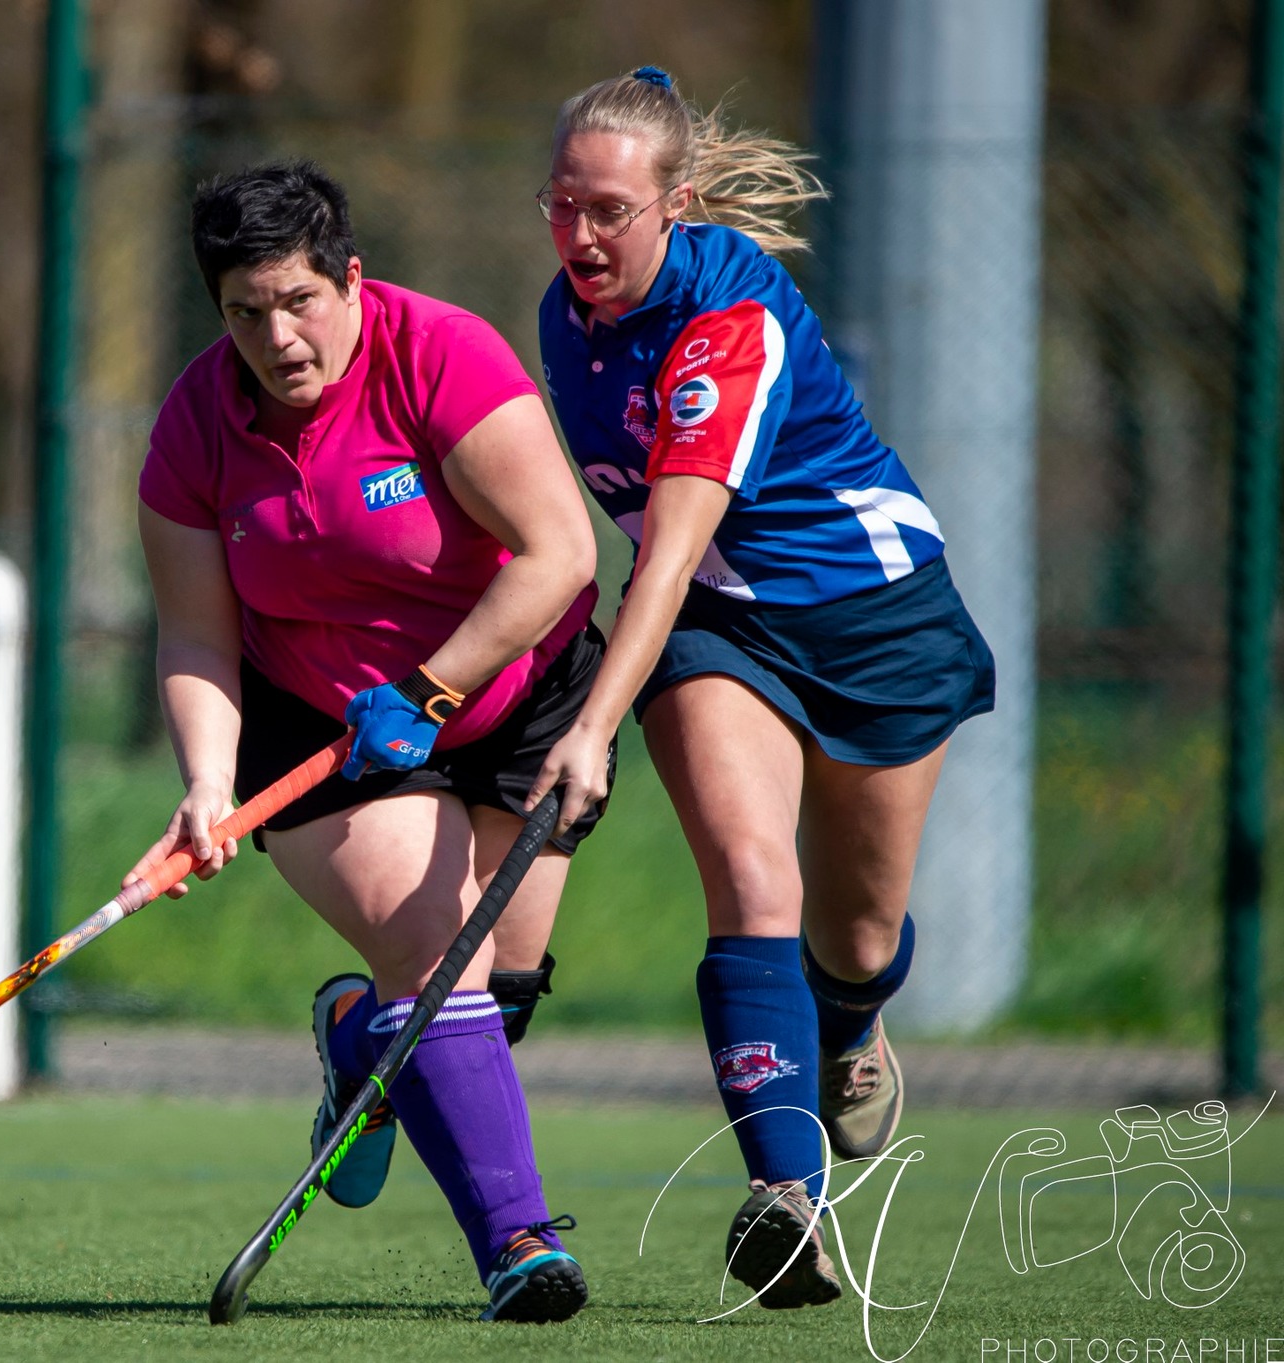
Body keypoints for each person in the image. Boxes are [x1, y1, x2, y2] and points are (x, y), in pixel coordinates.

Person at [522, 68, 996, 1310]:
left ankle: (849, 1019)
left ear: (673, 204)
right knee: (750, 878)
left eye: (609, 211)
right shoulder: (564, 315)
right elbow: (665, 570)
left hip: (873, 619)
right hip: (716, 627)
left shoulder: (726, 323)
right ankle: (787, 1199)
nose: (579, 236)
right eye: (562, 204)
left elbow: (668, 545)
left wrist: (589, 728)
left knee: (855, 939)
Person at [128, 160, 606, 1323]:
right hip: (318, 720)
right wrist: (205, 781)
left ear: (350, 277)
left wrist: (431, 689)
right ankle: (518, 1246)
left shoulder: (441, 356)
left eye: (298, 301)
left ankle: (357, 1041)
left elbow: (560, 552)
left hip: (514, 694)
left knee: (490, 999)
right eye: (245, 312)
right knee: (436, 960)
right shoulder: (193, 428)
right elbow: (194, 635)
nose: (277, 339)